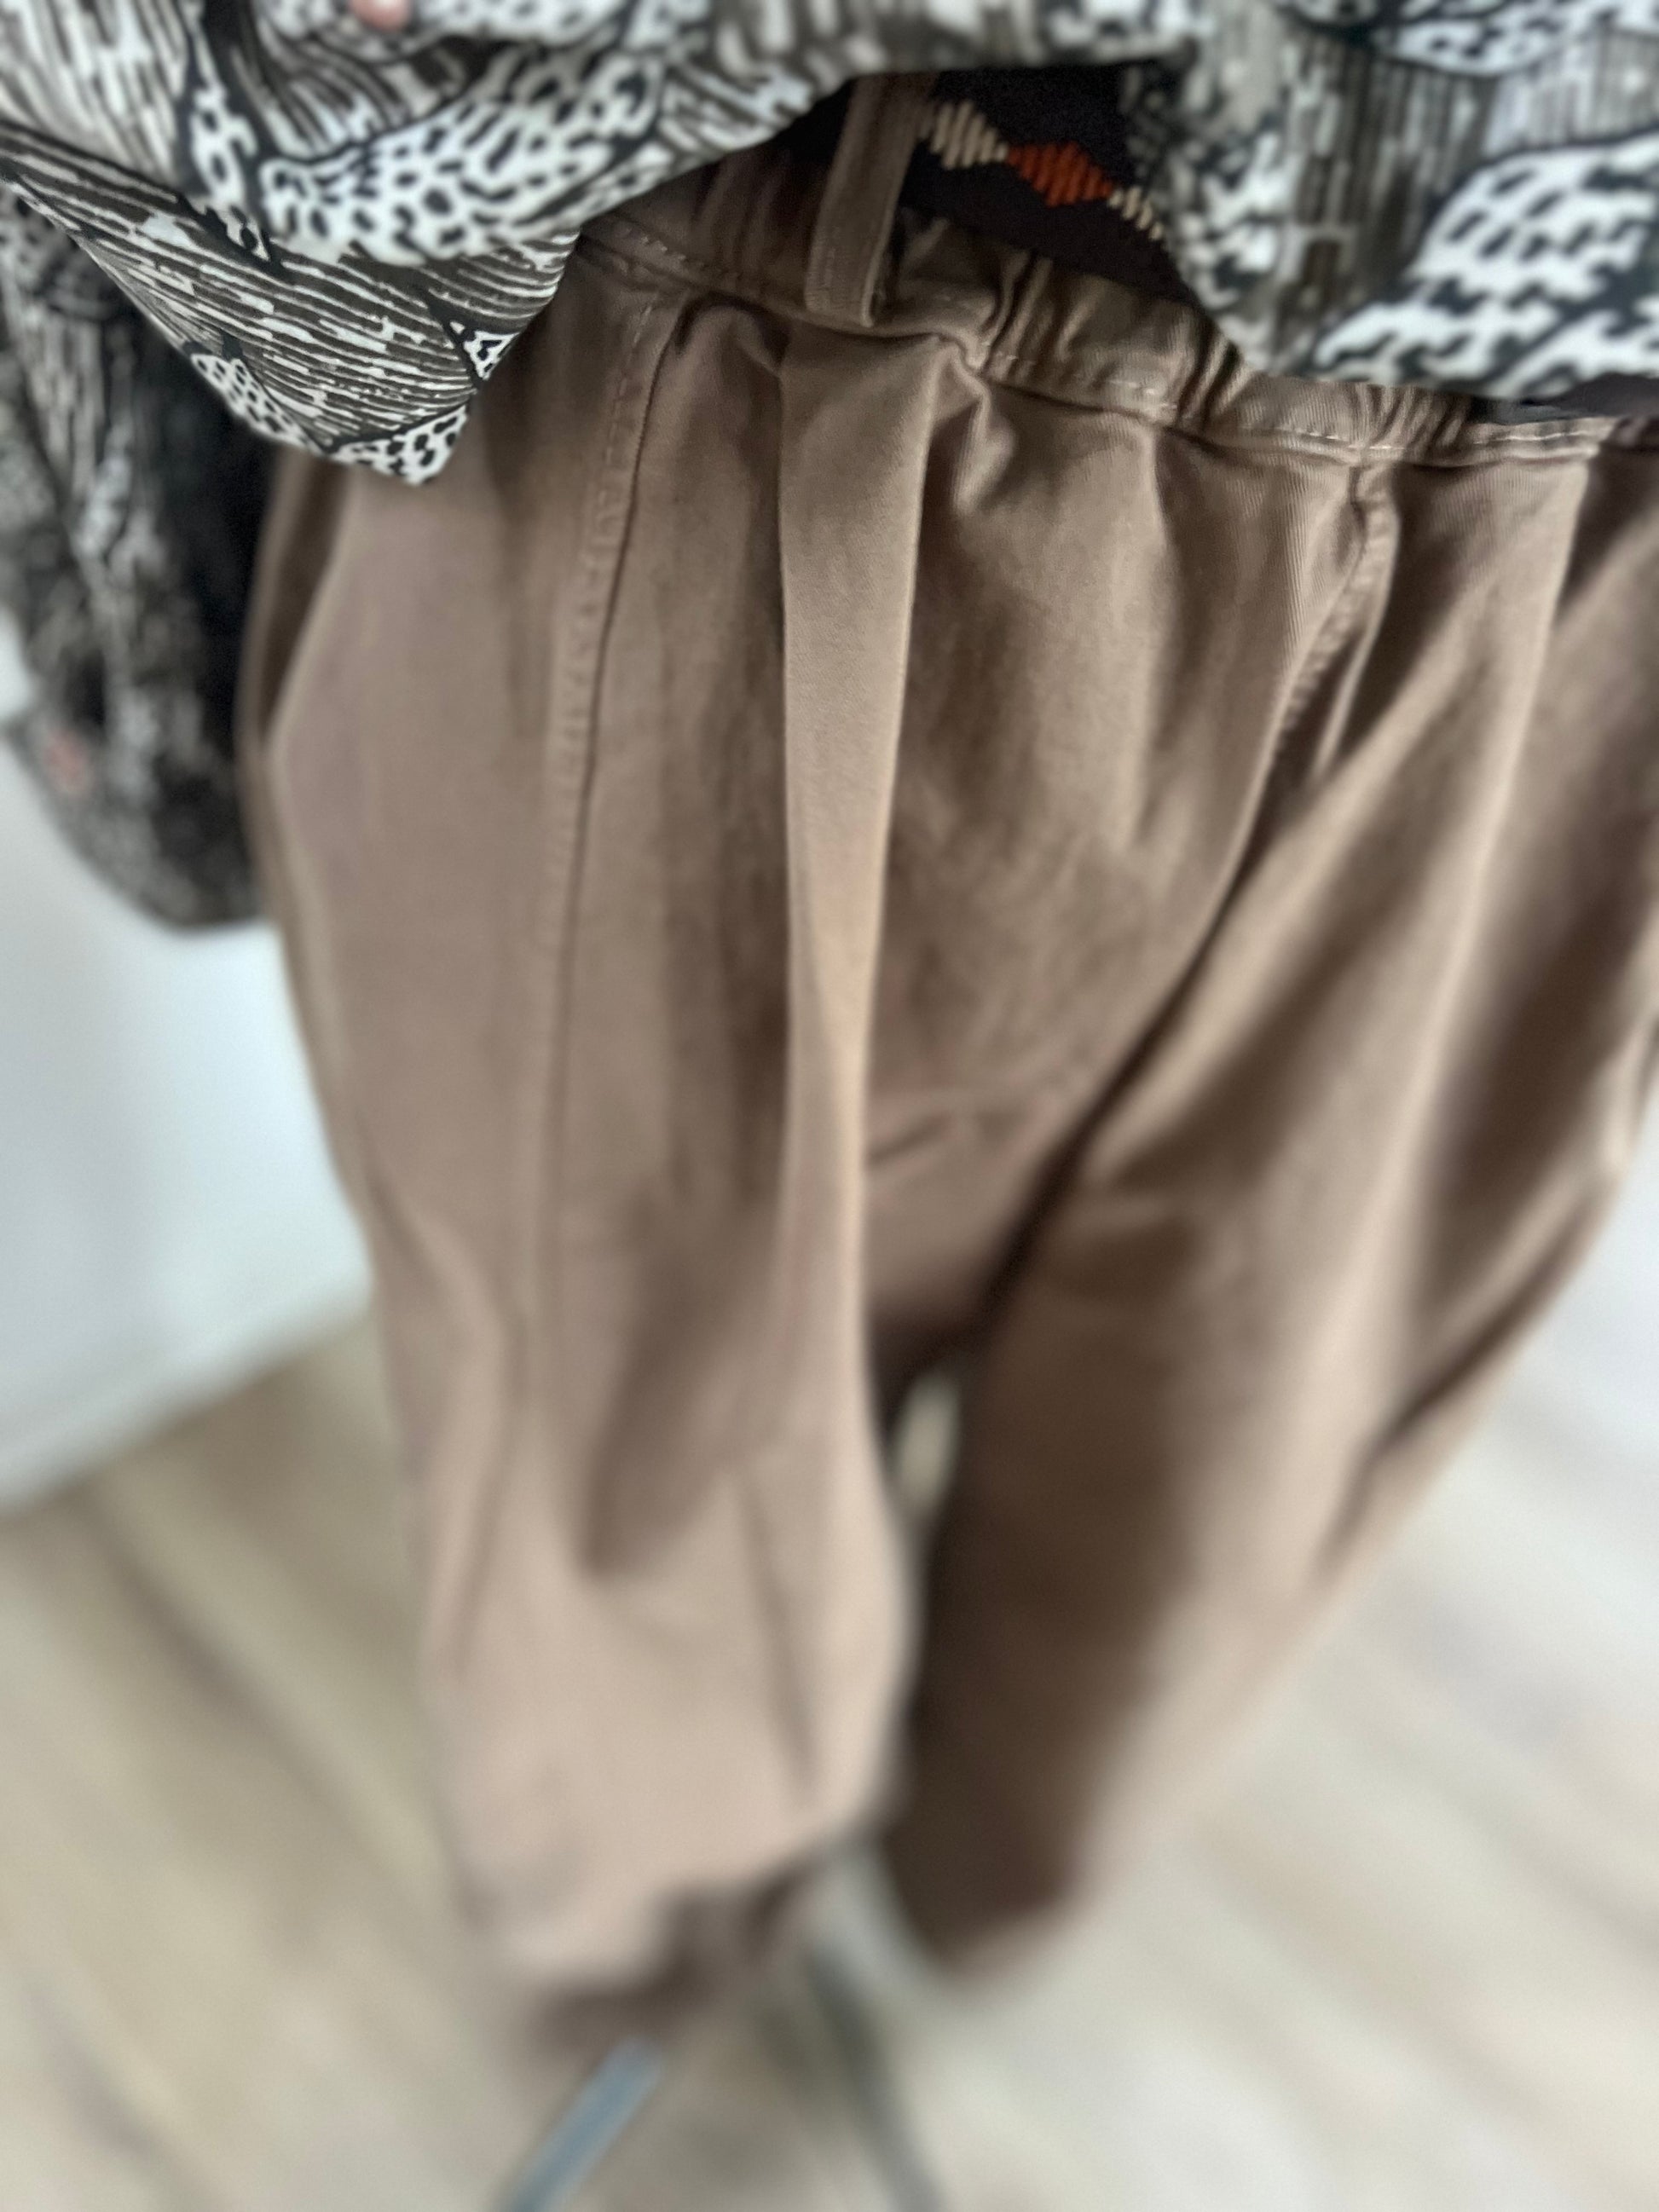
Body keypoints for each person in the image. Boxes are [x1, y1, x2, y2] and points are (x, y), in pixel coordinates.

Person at [4, 0, 1659, 2090]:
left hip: (1589, 480)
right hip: (730, 273)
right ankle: (671, 1990)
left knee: (1211, 1480)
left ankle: (924, 1924)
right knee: (624, 1491)